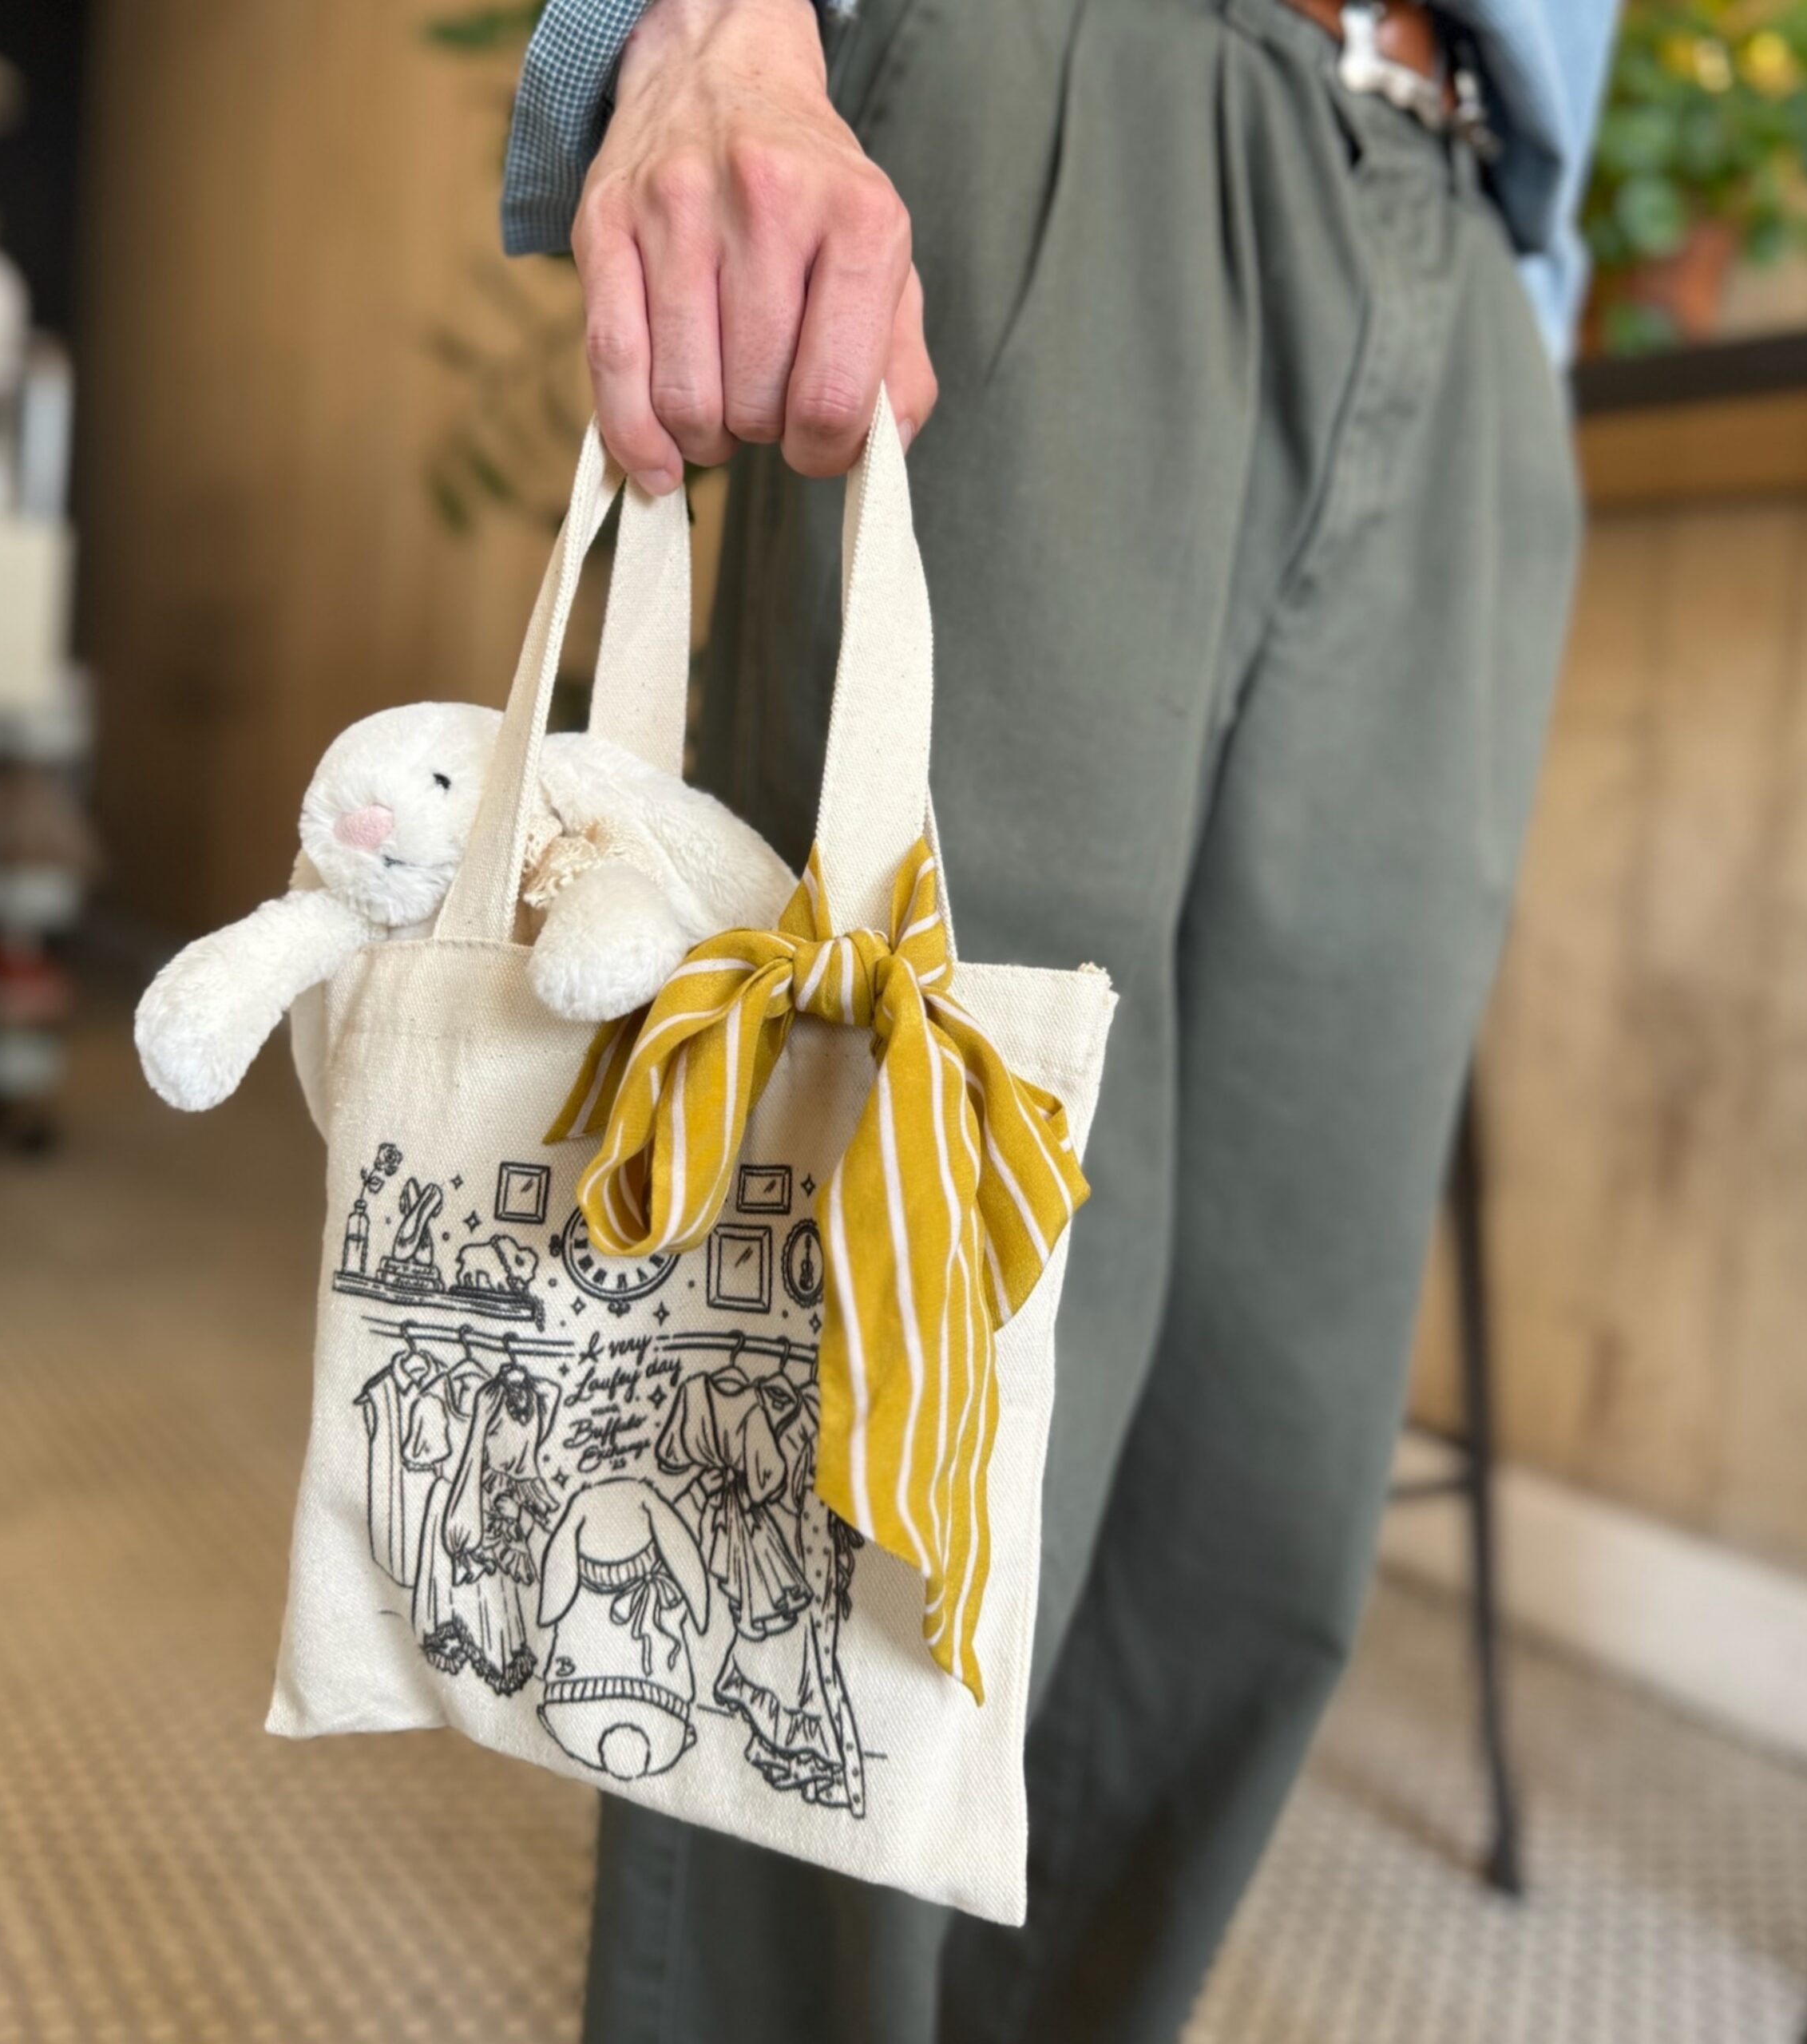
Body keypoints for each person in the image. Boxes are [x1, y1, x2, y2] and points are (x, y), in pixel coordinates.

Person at [501, 2, 1619, 2038]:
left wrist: (1522, 298)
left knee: (1253, 1500)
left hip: (1461, 221)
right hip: (1063, 121)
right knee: (862, 1439)